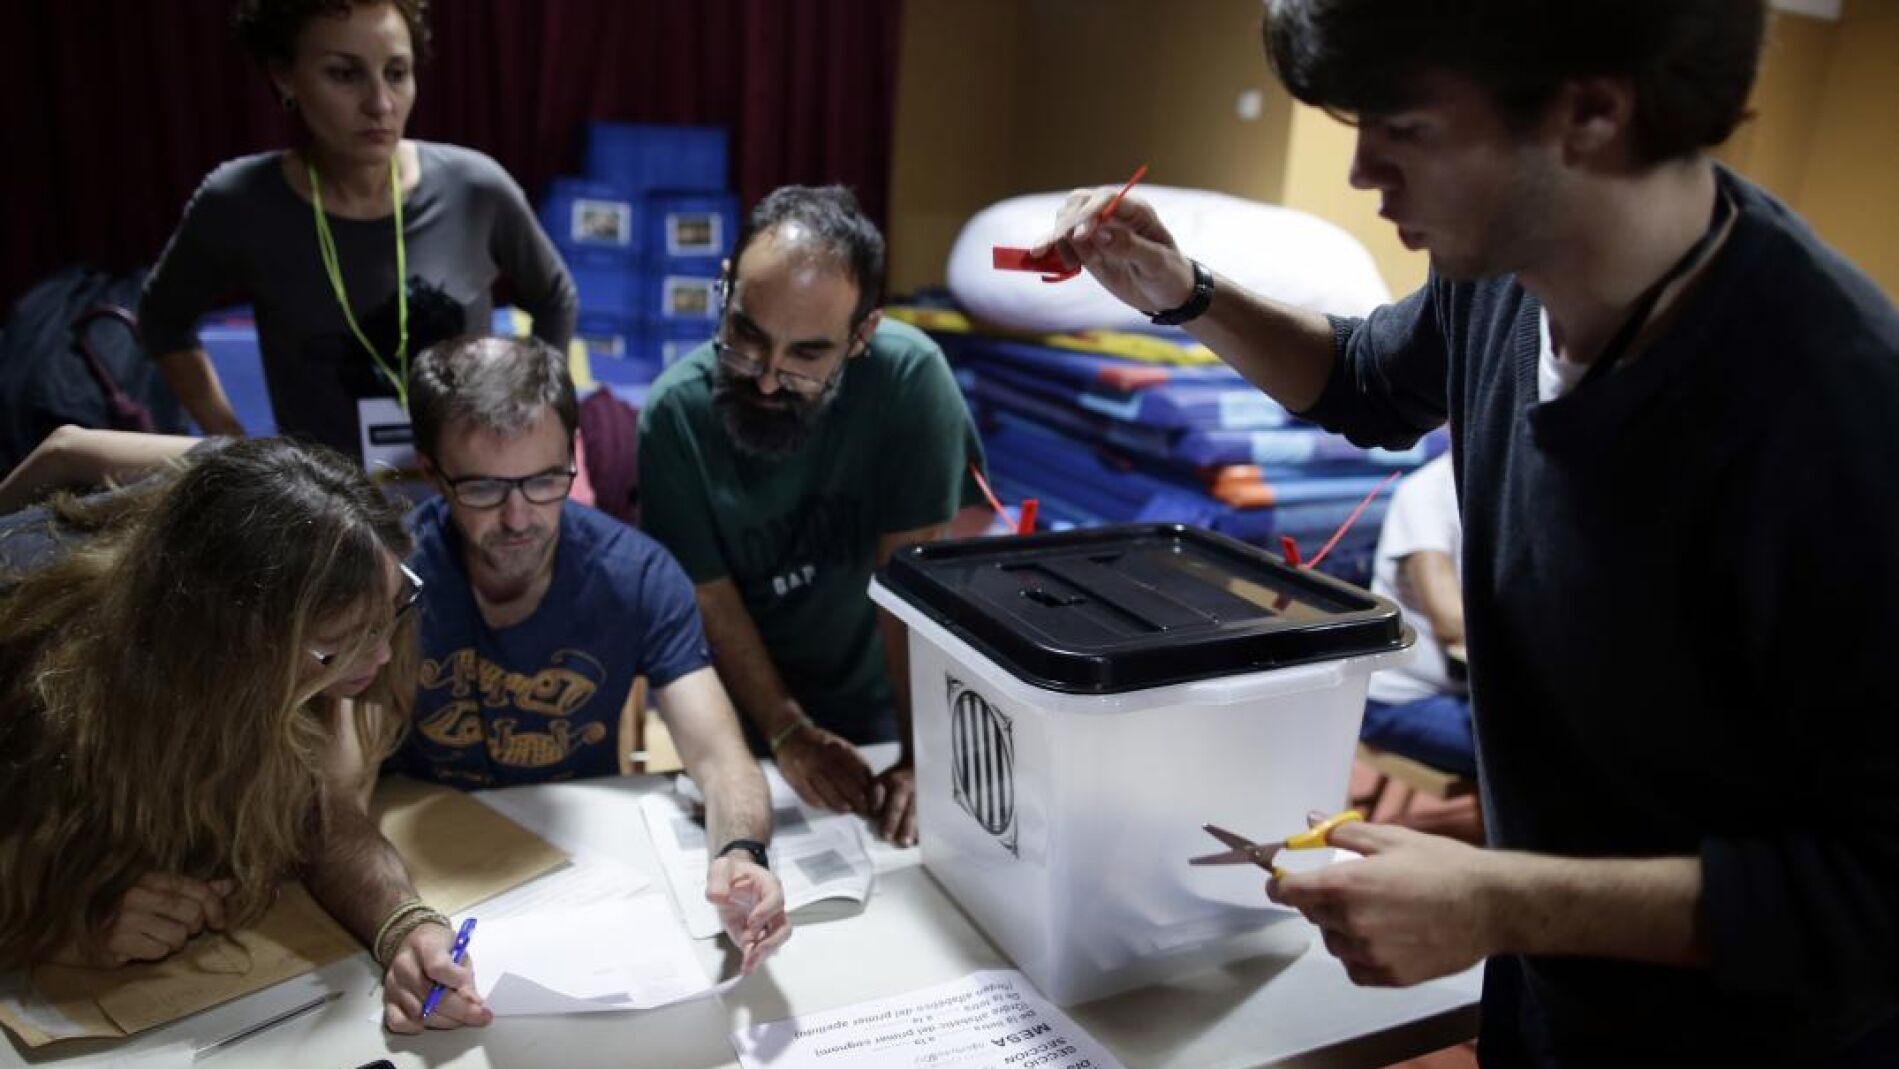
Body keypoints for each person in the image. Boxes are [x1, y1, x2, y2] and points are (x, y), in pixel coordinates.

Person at [1036, 0, 1899, 1062]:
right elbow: (1362, 378)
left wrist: (1502, 899)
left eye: (1404, 128)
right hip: (1549, 999)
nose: (1363, 171)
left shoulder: (1839, 414)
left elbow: (1872, 892)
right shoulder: (1497, 274)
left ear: (1589, 113)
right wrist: (1180, 291)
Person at [345, 334, 786, 1030]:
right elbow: (336, 802)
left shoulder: (637, 576)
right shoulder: (388, 586)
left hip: (580, 883)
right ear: (431, 471)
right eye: (483, 487)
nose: (519, 517)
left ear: (572, 457)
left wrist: (741, 852)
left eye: (545, 480)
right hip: (427, 871)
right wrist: (397, 922)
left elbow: (719, 758)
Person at [638, 185, 987, 847]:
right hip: (741, 715)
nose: (767, 379)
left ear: (861, 336)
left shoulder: (909, 381)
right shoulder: (673, 415)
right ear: (725, 288)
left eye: (805, 355)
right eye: (747, 335)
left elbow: (909, 585)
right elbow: (709, 598)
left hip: (881, 697)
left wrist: (923, 753)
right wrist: (787, 730)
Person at [0, 438, 420, 980]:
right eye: (342, 644)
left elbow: (326, 805)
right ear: (232, 651)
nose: (382, 655)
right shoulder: (51, 688)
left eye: (389, 614)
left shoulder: (278, 495)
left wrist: (406, 924)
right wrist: (59, 924)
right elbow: (60, 448)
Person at [139, 0, 576, 461]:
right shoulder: (241, 202)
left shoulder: (475, 188)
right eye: (345, 74)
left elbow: (554, 297)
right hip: (322, 494)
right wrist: (229, 440)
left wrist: (533, 428)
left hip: (463, 489)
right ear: (285, 76)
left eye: (397, 73)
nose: (380, 104)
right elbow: (162, 318)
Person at [1360, 453, 1474, 778]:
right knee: (1544, 754)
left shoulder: (1516, 491)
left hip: (1468, 693)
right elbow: (1451, 623)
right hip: (1403, 699)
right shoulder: (1426, 492)